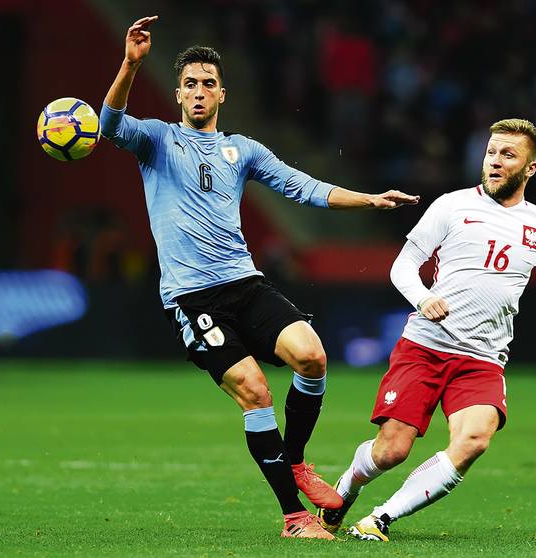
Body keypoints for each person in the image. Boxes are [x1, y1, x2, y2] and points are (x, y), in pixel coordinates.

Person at [99, 16, 419, 540]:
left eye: (208, 83)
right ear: (178, 94)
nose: (199, 91)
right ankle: (294, 516)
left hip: (244, 283)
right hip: (192, 296)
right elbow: (109, 125)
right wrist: (132, 64)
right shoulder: (155, 141)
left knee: (312, 355)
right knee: (254, 391)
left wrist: (370, 198)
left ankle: (294, 460)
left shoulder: (241, 149)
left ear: (222, 93)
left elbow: (303, 187)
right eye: (190, 84)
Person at [318, 118, 536, 541]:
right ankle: (346, 488)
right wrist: (423, 297)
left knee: (474, 441)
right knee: (391, 451)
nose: (495, 162)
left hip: (482, 359)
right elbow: (403, 266)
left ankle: (380, 519)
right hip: (426, 347)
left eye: (508, 155)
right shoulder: (452, 205)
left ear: (530, 168)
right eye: (491, 152)